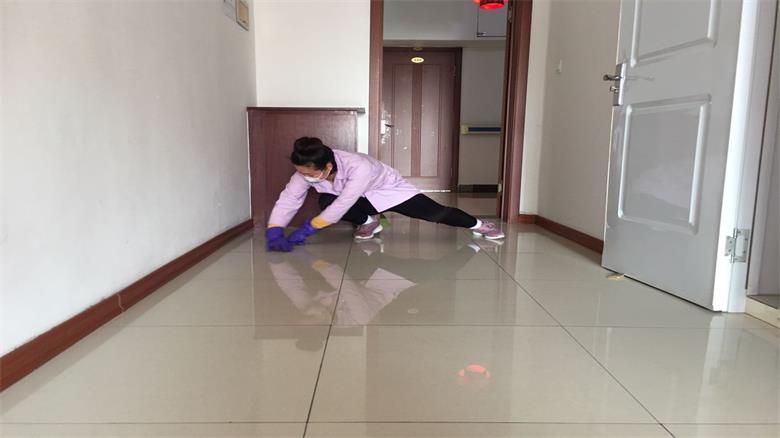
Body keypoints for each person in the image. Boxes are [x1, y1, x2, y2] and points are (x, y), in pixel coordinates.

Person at [265, 137, 504, 252]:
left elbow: (345, 201)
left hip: (387, 190)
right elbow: (289, 198)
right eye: (301, 172)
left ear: (327, 166)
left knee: (436, 214)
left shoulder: (358, 166)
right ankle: (369, 222)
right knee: (326, 199)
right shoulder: (305, 172)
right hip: (359, 199)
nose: (304, 177)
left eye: (308, 173)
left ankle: (479, 225)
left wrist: (310, 228)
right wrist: (275, 229)